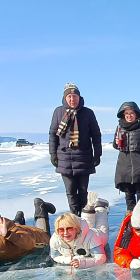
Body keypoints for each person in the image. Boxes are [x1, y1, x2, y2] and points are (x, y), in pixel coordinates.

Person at [49, 82, 102, 214]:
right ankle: (74, 214)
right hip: (64, 157)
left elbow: (96, 134)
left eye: (75, 96)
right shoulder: (58, 112)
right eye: (69, 97)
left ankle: (83, 216)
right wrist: (53, 153)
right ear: (65, 98)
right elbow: (53, 133)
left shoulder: (88, 113)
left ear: (79, 97)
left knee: (83, 190)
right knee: (70, 190)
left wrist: (97, 154)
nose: (72, 99)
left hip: (83, 157)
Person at [112, 102, 140, 214]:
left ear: (136, 114)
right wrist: (116, 143)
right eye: (127, 113)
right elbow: (116, 145)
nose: (129, 116)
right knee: (129, 194)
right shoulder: (119, 127)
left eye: (131, 113)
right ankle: (130, 217)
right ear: (123, 115)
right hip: (124, 165)